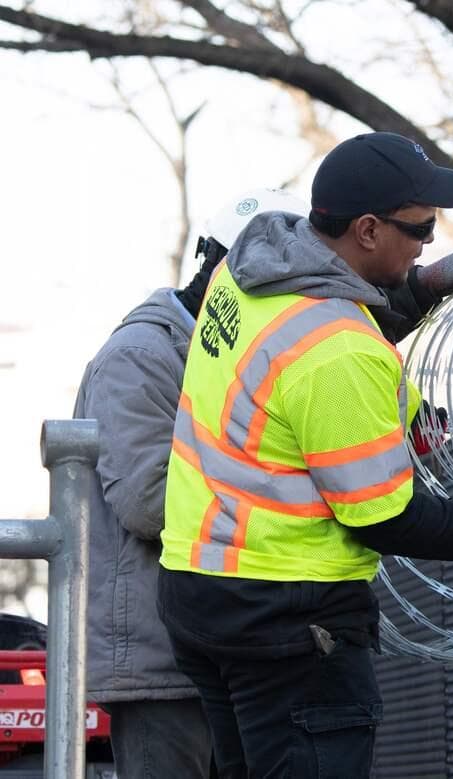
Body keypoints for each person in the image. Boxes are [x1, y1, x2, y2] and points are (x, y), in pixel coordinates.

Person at [157, 131, 453, 778]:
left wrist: (418, 288)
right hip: (285, 616)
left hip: (199, 589)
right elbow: (384, 515)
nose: (429, 242)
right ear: (368, 229)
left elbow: (304, 350)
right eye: (421, 229)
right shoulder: (339, 351)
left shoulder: (246, 270)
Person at [73, 188, 308, 778]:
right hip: (164, 664)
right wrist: (295, 489)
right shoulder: (140, 357)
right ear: (219, 272)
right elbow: (149, 502)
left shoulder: (231, 358)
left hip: (228, 648)